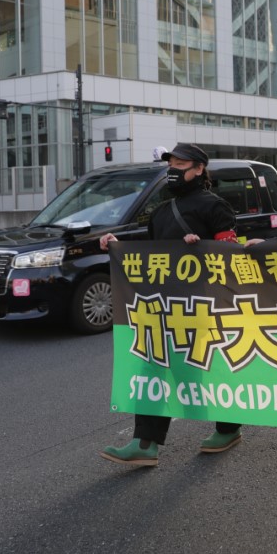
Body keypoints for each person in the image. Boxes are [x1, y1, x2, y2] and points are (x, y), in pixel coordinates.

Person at [98, 143, 243, 466]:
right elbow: (152, 253)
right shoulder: (163, 210)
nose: (173, 170)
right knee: (151, 365)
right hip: (163, 305)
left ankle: (229, 427)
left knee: (206, 367)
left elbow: (230, 254)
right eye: (171, 164)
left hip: (203, 307)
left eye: (181, 164)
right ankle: (145, 443)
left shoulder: (215, 206)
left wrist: (201, 247)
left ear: (199, 169)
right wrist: (118, 246)